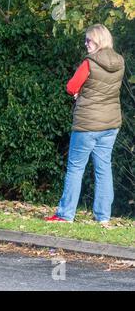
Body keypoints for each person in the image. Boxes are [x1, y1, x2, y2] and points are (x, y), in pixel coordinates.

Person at [45, 24, 125, 224]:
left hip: (87, 124)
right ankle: (103, 217)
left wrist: (77, 94)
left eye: (89, 40)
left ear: (98, 40)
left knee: (75, 168)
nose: (86, 44)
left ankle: (65, 214)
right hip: (110, 123)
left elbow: (71, 86)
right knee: (104, 168)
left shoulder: (90, 62)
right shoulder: (120, 62)